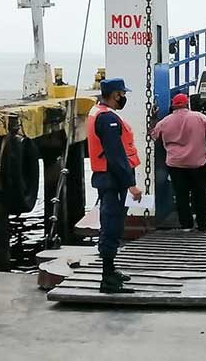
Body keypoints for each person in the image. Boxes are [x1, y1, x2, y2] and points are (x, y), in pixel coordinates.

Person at [87, 78, 142, 294]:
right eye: (122, 94)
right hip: (113, 180)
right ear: (115, 94)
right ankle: (107, 279)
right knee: (111, 226)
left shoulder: (97, 112)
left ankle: (110, 270)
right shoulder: (107, 118)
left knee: (111, 223)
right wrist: (131, 184)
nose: (124, 98)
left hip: (107, 178)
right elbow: (116, 155)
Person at [150, 93, 206, 231]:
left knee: (181, 195)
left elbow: (153, 134)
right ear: (187, 103)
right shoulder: (200, 117)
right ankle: (203, 225)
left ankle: (186, 225)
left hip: (175, 164)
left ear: (173, 105)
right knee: (200, 194)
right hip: (197, 163)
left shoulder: (165, 121)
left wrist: (153, 118)